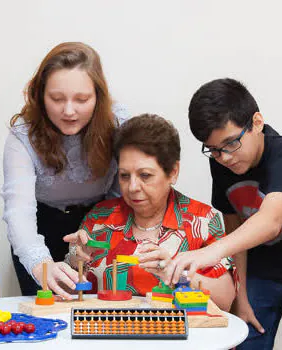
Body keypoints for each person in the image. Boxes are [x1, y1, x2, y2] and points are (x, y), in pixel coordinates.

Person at [167, 78, 282, 349]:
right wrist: (242, 294)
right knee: (245, 340)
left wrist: (207, 253)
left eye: (230, 144)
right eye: (214, 150)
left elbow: (270, 222)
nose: (224, 157)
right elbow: (234, 225)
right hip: (263, 267)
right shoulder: (223, 164)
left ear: (257, 123)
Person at [64, 114, 237, 311]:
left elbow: (225, 300)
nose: (133, 187)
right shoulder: (100, 218)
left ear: (173, 172)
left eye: (145, 175)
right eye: (124, 176)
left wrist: (176, 274)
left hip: (179, 339)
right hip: (107, 336)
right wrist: (75, 260)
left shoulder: (202, 221)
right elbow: (64, 294)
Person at [1, 42, 129, 298]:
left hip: (99, 223)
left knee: (98, 312)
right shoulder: (22, 136)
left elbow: (122, 194)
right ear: (40, 95)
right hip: (40, 229)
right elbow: (19, 211)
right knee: (45, 317)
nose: (69, 111)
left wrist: (97, 237)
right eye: (57, 99)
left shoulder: (118, 124)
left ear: (98, 96)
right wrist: (40, 264)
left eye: (82, 99)